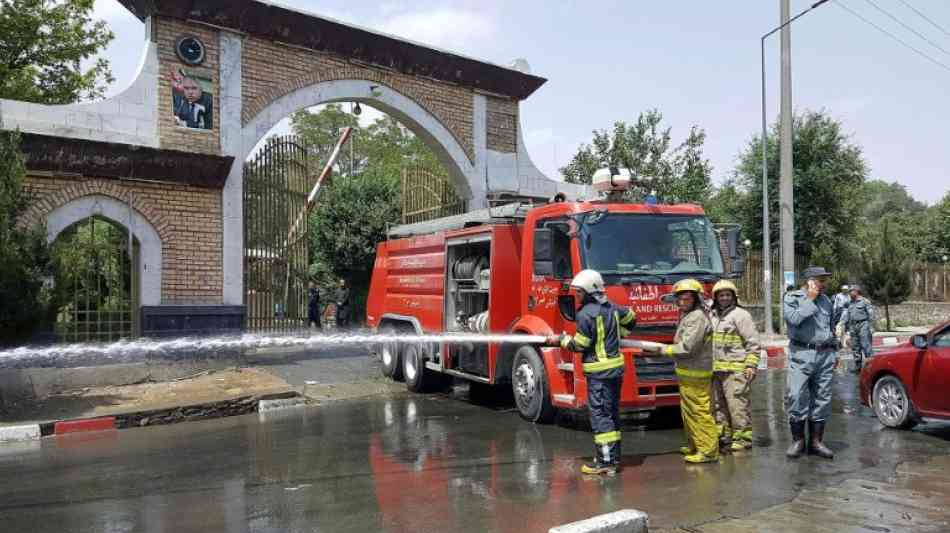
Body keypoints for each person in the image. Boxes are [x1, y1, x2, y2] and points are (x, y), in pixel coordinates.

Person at [546, 269, 636, 475]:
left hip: (599, 375)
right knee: (611, 414)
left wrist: (560, 340)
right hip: (615, 371)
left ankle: (605, 463)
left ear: (588, 292)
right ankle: (612, 457)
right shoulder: (612, 308)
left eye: (579, 292)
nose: (576, 296)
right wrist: (619, 334)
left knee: (600, 416)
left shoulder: (585, 313)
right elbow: (631, 317)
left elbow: (580, 344)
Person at [643, 279, 718, 464]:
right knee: (688, 412)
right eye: (680, 299)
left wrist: (662, 350)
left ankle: (708, 451)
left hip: (696, 373)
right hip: (688, 372)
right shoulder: (688, 315)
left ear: (696, 299)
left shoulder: (697, 318)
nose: (683, 302)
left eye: (687, 298)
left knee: (699, 411)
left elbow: (687, 348)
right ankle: (696, 445)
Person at [783, 266, 843, 460]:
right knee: (796, 395)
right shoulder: (792, 298)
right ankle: (798, 440)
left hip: (825, 355)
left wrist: (835, 350)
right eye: (820, 280)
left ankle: (816, 442)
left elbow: (830, 327)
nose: (824, 284)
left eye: (824, 281)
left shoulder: (827, 300)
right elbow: (793, 319)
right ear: (809, 281)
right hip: (802, 353)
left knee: (822, 398)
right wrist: (809, 298)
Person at [709, 280, 761, 452]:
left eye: (727, 295)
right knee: (718, 407)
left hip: (736, 372)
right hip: (716, 371)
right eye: (721, 295)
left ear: (733, 297)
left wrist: (751, 366)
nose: (724, 298)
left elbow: (753, 344)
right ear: (715, 297)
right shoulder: (712, 315)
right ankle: (725, 436)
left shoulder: (741, 315)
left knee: (737, 406)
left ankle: (743, 439)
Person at [843, 285, 875, 373]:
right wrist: (846, 328)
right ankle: (858, 367)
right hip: (853, 326)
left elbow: (871, 315)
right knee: (855, 347)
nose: (849, 293)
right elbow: (848, 316)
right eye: (849, 291)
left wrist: (871, 327)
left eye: (851, 291)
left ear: (857, 291)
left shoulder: (865, 301)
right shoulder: (850, 303)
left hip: (863, 325)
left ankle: (871, 366)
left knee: (866, 345)